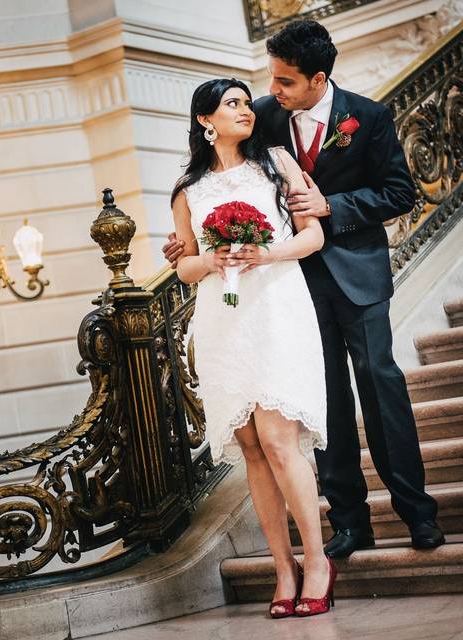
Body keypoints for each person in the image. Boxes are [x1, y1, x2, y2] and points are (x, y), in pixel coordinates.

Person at [163, 20, 445, 560]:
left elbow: (399, 192)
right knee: (324, 401)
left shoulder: (370, 116)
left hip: (356, 274)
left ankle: (417, 512)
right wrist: (188, 246)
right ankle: (349, 522)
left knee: (379, 384)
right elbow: (220, 185)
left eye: (286, 82)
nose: (273, 92)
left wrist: (331, 207)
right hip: (290, 286)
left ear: (318, 79)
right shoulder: (264, 117)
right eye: (271, 79)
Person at [170, 76, 336, 618]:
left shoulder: (276, 162)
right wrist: (213, 260)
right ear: (205, 121)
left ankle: (316, 561)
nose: (245, 111)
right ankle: (282, 567)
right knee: (250, 445)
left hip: (277, 305)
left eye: (245, 103)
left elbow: (313, 236)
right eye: (231, 104)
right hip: (223, 320)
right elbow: (186, 266)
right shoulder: (187, 192)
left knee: (278, 436)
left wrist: (265, 254)